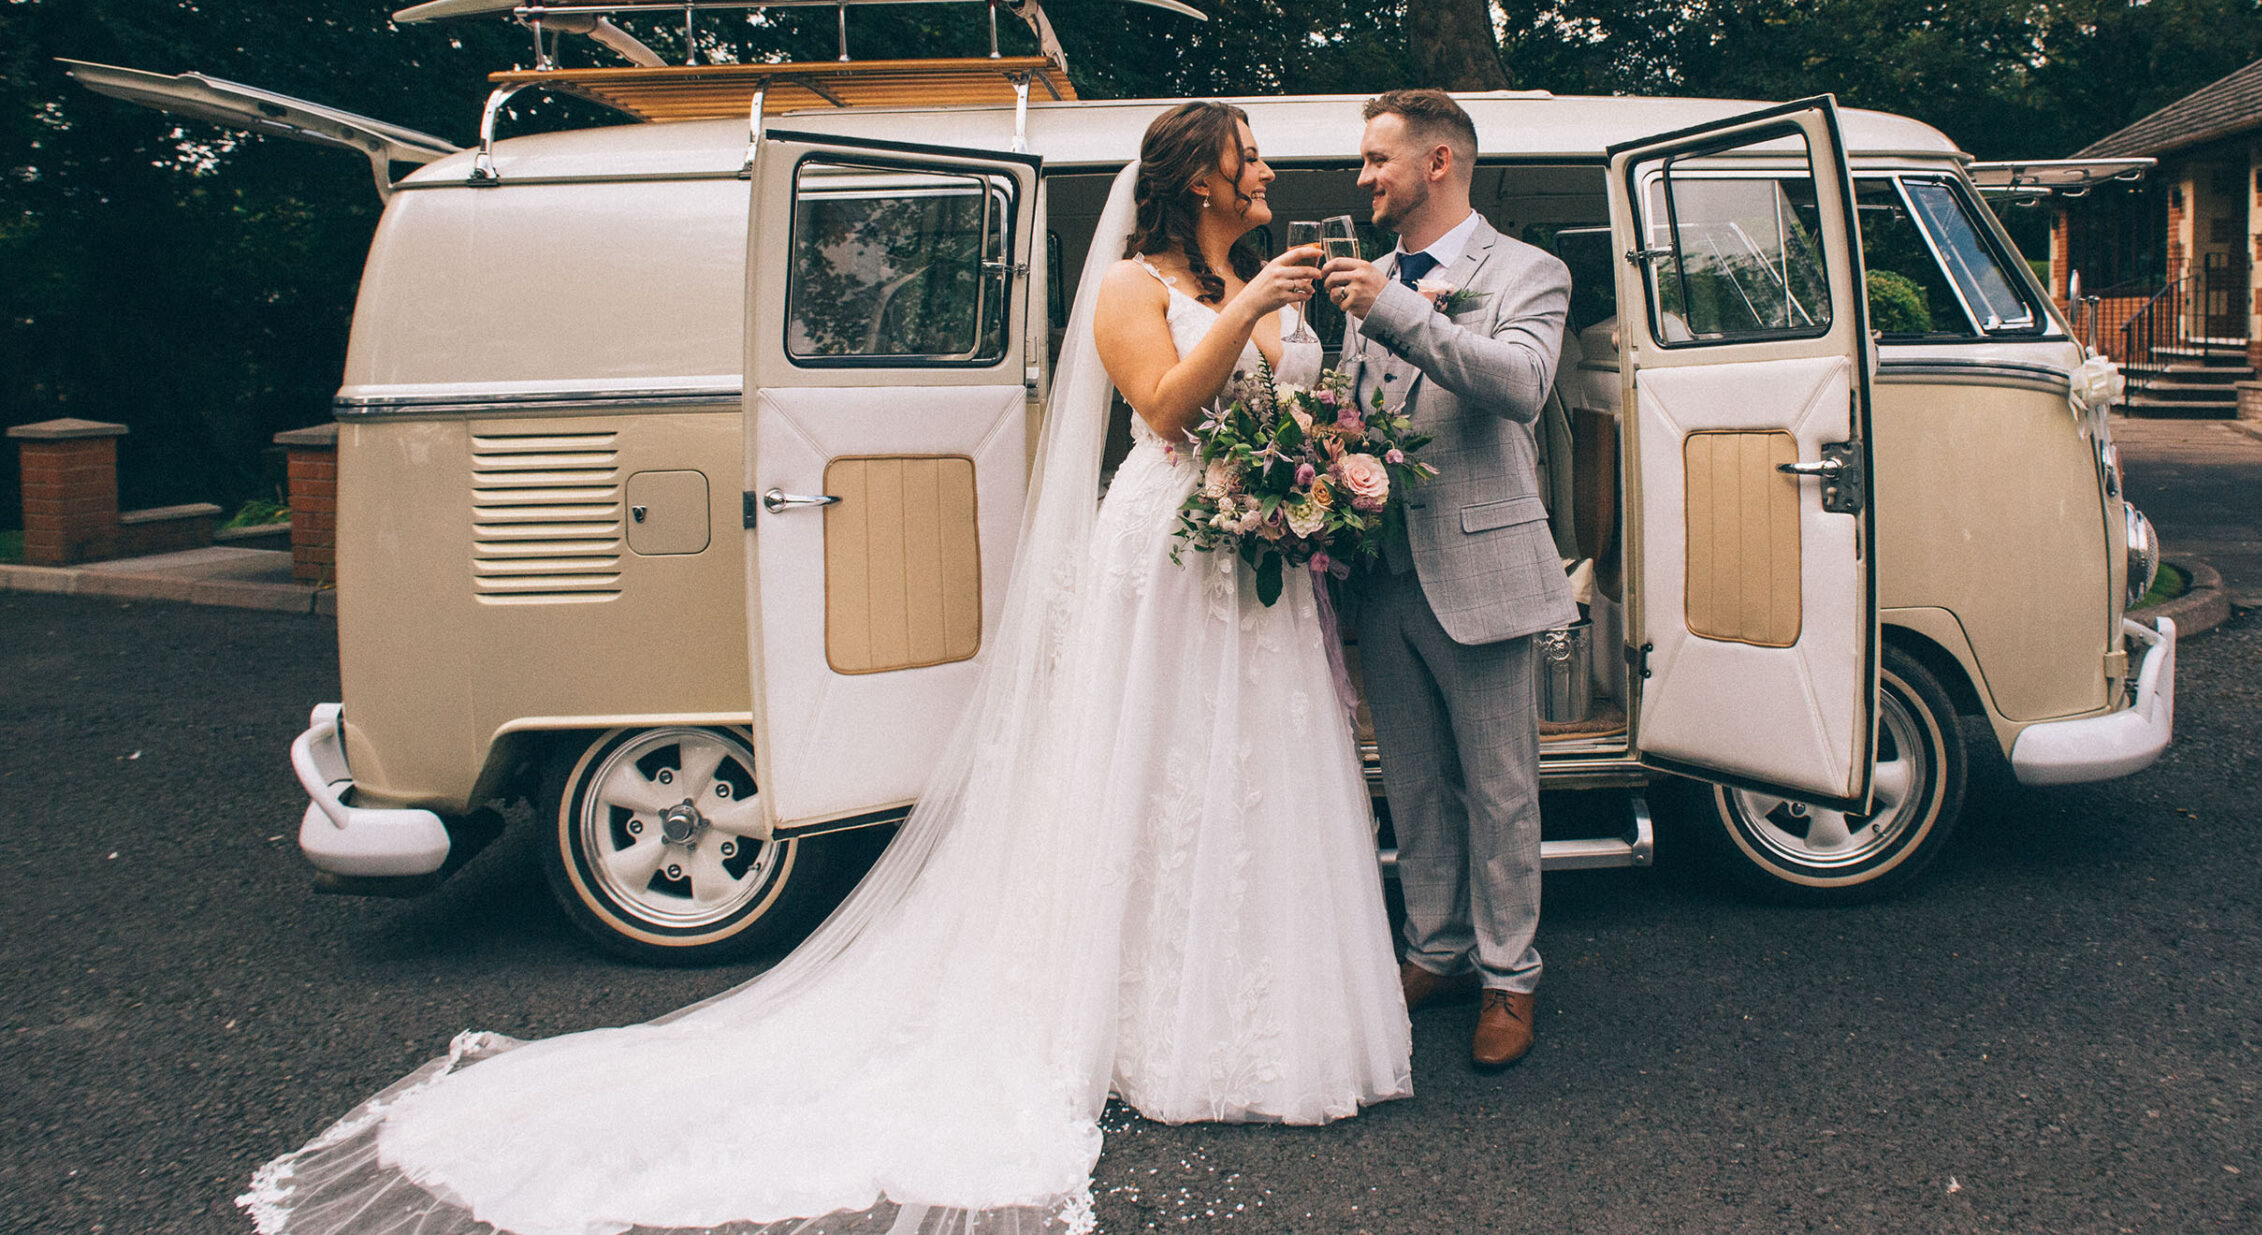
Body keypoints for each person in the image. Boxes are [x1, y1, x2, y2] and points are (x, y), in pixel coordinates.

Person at [243, 102, 1410, 1235]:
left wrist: (1313, 460)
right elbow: (1160, 405)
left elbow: (1287, 405)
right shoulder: (1127, 284)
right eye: (1247, 159)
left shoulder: (1255, 281)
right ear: (1198, 177)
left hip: (1255, 560)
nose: (1265, 176)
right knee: (1157, 771)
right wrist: (1254, 304)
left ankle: (1265, 1016)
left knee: (1254, 775)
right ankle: (1150, 1026)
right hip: (1167, 552)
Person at [1323, 89, 1576, 1073]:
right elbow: (1356, 409)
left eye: (1377, 159)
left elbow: (1517, 384)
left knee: (1502, 787)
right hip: (1382, 574)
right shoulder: (1370, 276)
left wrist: (1391, 311)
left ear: (1436, 163)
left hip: (1481, 566)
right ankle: (1436, 947)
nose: (1362, 178)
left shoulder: (1528, 271)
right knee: (1415, 784)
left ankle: (1511, 976)